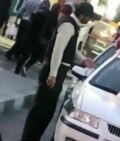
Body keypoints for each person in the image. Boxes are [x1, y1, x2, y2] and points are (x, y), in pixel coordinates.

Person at [20, 2, 94, 141]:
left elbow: (69, 48)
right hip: (53, 73)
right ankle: (28, 138)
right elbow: (58, 49)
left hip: (58, 73)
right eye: (89, 18)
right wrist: (53, 74)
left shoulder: (72, 25)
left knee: (46, 112)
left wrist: (83, 60)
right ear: (82, 15)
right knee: (40, 111)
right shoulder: (68, 25)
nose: (90, 21)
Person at [14, 2, 51, 76]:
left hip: (30, 35)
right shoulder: (48, 15)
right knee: (35, 56)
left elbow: (31, 21)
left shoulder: (36, 12)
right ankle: (25, 66)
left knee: (25, 54)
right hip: (38, 38)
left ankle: (18, 68)